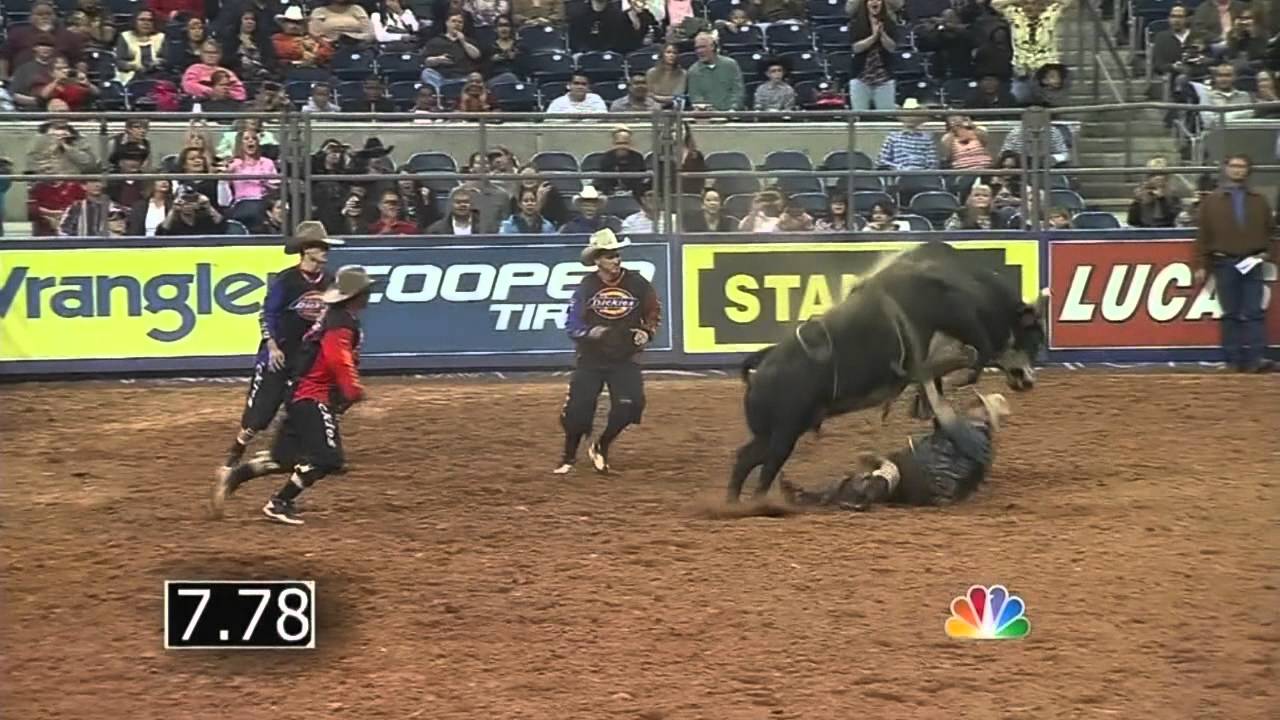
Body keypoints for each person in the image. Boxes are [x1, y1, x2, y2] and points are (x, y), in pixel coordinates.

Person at [212, 265, 373, 525]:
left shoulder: (333, 318)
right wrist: (353, 391)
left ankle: (234, 477)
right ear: (356, 295)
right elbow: (338, 360)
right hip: (313, 396)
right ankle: (279, 502)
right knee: (327, 459)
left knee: (284, 458)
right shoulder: (341, 324)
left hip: (300, 393)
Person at [219, 220, 342, 475]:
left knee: (312, 401)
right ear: (306, 249)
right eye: (320, 246)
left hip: (306, 356)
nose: (325, 251)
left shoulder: (330, 280)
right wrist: (272, 346)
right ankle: (239, 446)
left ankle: (318, 450)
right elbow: (267, 314)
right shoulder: (286, 280)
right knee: (262, 412)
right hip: (281, 352)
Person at [779, 392, 1011, 511]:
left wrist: (927, 380)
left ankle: (862, 496)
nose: (973, 405)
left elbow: (942, 413)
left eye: (980, 405)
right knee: (884, 471)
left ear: (986, 417)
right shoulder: (980, 442)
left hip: (928, 479)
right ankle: (809, 497)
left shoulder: (974, 435)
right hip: (934, 488)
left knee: (892, 468)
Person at [553, 229, 662, 476]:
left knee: (631, 405)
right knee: (578, 411)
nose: (616, 260)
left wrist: (647, 332)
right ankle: (568, 456)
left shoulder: (638, 283)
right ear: (598, 260)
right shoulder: (586, 286)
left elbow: (653, 311)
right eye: (610, 256)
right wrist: (593, 333)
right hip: (590, 358)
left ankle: (602, 445)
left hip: (625, 357)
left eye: (617, 255)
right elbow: (572, 324)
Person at [1193, 154, 1276, 373]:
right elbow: (1203, 235)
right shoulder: (1212, 202)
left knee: (1254, 312)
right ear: (1226, 168)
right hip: (1224, 261)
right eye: (1234, 166)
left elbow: (1270, 231)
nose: (1238, 170)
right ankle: (1232, 359)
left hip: (1253, 262)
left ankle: (1256, 358)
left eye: (1242, 166)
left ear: (1248, 170)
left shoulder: (1259, 200)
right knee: (1230, 313)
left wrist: (1266, 253)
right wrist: (1200, 264)